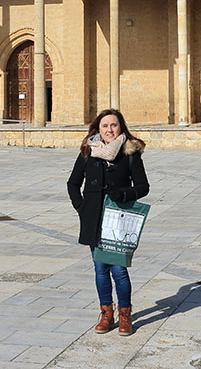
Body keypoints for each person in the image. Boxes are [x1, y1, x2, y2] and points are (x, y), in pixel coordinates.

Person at [67, 108, 149, 336]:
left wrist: (123, 194)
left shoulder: (130, 153)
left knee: (119, 270)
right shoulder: (88, 152)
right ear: (98, 129)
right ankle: (106, 313)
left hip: (118, 219)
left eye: (113, 125)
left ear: (120, 127)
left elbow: (143, 187)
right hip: (94, 218)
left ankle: (125, 315)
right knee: (100, 269)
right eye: (105, 126)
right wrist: (81, 207)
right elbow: (73, 183)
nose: (109, 130)